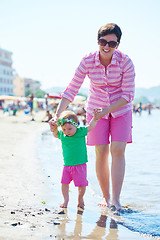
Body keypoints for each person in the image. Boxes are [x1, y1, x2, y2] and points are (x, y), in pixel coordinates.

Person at [49, 23, 135, 211]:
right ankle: (106, 197)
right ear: (98, 41)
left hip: (121, 110)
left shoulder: (126, 62)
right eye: (103, 41)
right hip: (95, 109)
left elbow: (127, 95)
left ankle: (117, 200)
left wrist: (107, 110)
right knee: (101, 152)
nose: (106, 46)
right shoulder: (88, 61)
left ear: (118, 45)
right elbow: (71, 89)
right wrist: (57, 116)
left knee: (118, 150)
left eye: (112, 43)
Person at [49, 110, 98, 209]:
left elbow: (90, 127)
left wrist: (95, 118)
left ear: (76, 125)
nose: (67, 132)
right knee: (64, 183)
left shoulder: (80, 132)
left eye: (70, 129)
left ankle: (80, 198)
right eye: (64, 129)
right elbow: (55, 134)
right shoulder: (63, 135)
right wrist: (53, 128)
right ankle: (66, 200)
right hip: (67, 165)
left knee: (82, 185)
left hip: (80, 165)